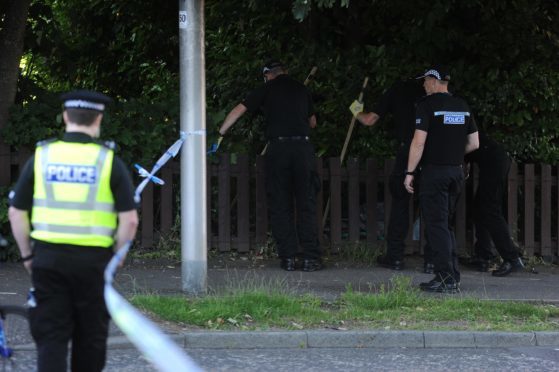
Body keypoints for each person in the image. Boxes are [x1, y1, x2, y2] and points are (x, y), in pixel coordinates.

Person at [8, 90, 139, 372]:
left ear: (66, 116)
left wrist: (27, 257)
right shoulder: (108, 161)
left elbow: (16, 212)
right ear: (99, 118)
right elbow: (129, 221)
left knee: (52, 337)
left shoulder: (41, 156)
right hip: (94, 263)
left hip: (48, 259)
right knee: (90, 338)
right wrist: (116, 257)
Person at [218, 61, 322, 272]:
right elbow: (313, 123)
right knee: (306, 203)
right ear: (284, 72)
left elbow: (240, 109)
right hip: (302, 148)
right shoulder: (302, 89)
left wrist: (220, 133)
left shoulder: (266, 89)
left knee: (280, 203)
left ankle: (288, 258)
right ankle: (311, 258)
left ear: (267, 75)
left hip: (279, 149)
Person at [404, 66, 479, 293]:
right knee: (445, 225)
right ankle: (451, 276)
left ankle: (445, 278)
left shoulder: (427, 106)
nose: (423, 85)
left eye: (425, 81)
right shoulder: (462, 106)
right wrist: (454, 154)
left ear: (435, 81)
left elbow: (418, 143)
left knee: (436, 226)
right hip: (456, 172)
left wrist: (409, 173)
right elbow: (474, 143)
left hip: (434, 173)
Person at [349, 79, 434, 273]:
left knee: (400, 205)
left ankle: (395, 257)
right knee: (432, 206)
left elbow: (369, 120)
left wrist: (354, 107)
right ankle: (431, 260)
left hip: (406, 150)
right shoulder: (435, 93)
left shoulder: (398, 88)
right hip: (430, 153)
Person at [465, 132, 524, 276]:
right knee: (479, 208)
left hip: (494, 164)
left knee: (490, 211)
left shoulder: (455, 127)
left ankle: (512, 258)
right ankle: (483, 254)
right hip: (495, 161)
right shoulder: (464, 123)